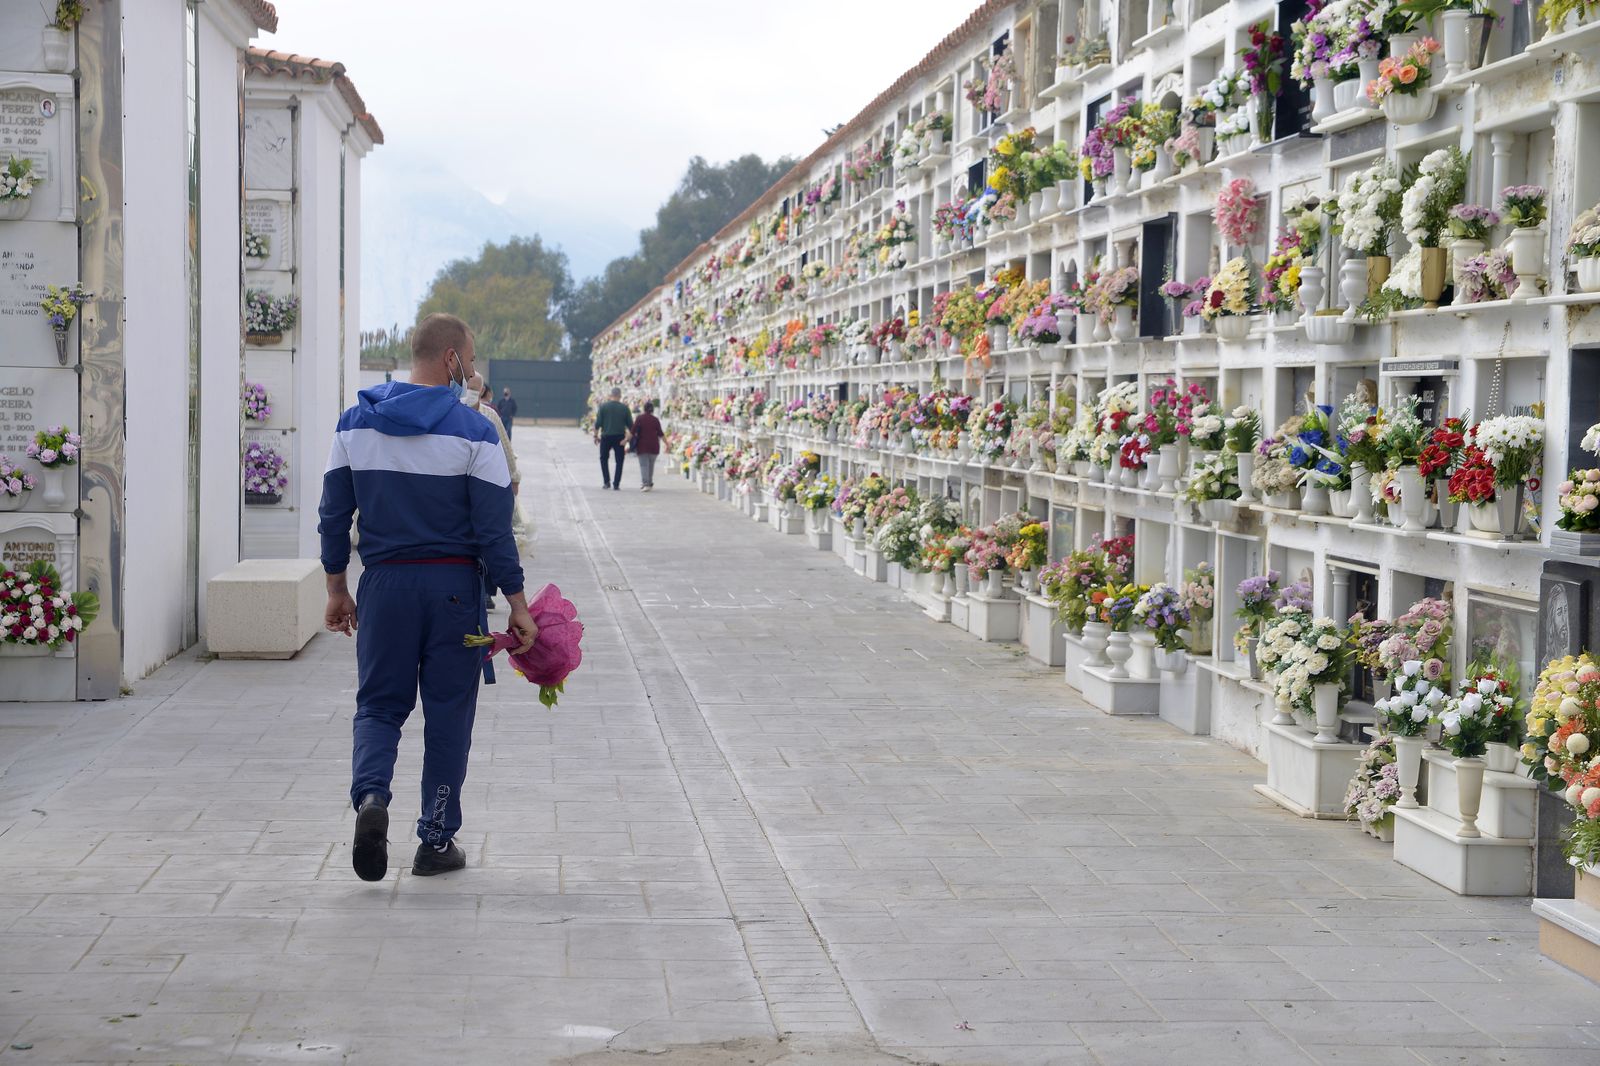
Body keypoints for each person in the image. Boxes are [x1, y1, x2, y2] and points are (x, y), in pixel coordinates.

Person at [317, 312, 537, 882]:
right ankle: (436, 839)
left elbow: (334, 515)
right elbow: (494, 532)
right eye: (470, 357)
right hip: (454, 595)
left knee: (379, 706)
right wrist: (516, 603)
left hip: (384, 587)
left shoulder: (353, 423)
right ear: (452, 360)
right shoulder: (477, 431)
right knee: (447, 715)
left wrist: (337, 588)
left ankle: (371, 801)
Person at [594, 386, 633, 490]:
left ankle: (606, 482)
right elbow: (632, 428)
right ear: (620, 396)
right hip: (619, 438)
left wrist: (595, 436)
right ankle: (616, 484)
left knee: (603, 459)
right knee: (619, 461)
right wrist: (626, 440)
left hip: (606, 437)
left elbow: (597, 424)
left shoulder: (603, 407)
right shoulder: (625, 408)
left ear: (611, 395)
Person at [633, 400, 663, 491]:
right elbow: (661, 434)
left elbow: (633, 431)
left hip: (642, 446)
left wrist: (626, 440)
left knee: (644, 465)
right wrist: (667, 444)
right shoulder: (655, 420)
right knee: (651, 465)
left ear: (644, 409)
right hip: (654, 446)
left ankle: (645, 483)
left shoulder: (639, 418)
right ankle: (649, 482)